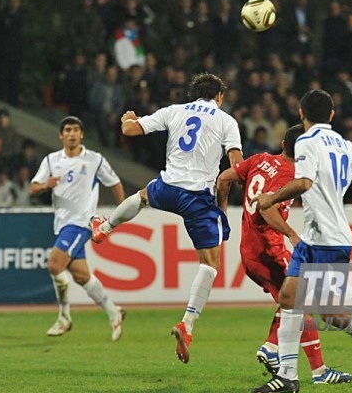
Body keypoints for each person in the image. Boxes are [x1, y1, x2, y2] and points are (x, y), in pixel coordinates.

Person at [250, 90, 352, 393]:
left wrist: (271, 197)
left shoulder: (307, 142)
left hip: (325, 239)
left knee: (321, 309)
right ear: (333, 115)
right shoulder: (345, 145)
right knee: (295, 299)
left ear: (301, 113)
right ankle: (288, 375)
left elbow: (304, 183)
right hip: (320, 237)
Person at [90, 73, 243, 363]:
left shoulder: (174, 111)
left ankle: (105, 227)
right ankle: (187, 324)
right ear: (219, 96)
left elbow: (131, 131)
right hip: (198, 196)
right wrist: (229, 196)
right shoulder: (226, 121)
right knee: (210, 264)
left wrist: (127, 118)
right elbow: (235, 164)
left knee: (143, 196)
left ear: (193, 93)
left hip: (169, 186)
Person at [217, 124, 352, 384]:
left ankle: (273, 348)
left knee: (292, 302)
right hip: (270, 250)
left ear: (282, 144)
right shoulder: (291, 176)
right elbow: (268, 211)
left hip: (248, 250)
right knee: (301, 302)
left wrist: (222, 213)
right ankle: (317, 371)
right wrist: (291, 234)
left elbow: (223, 179)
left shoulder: (259, 159)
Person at [30, 116, 126, 340]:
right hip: (62, 223)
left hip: (81, 222)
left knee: (54, 264)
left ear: (81, 134)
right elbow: (32, 188)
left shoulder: (94, 160)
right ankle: (114, 311)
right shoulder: (52, 160)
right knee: (82, 276)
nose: (72, 134)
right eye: (67, 130)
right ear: (60, 135)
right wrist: (46, 185)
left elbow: (115, 183)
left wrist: (118, 216)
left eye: (76, 130)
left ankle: (64, 318)